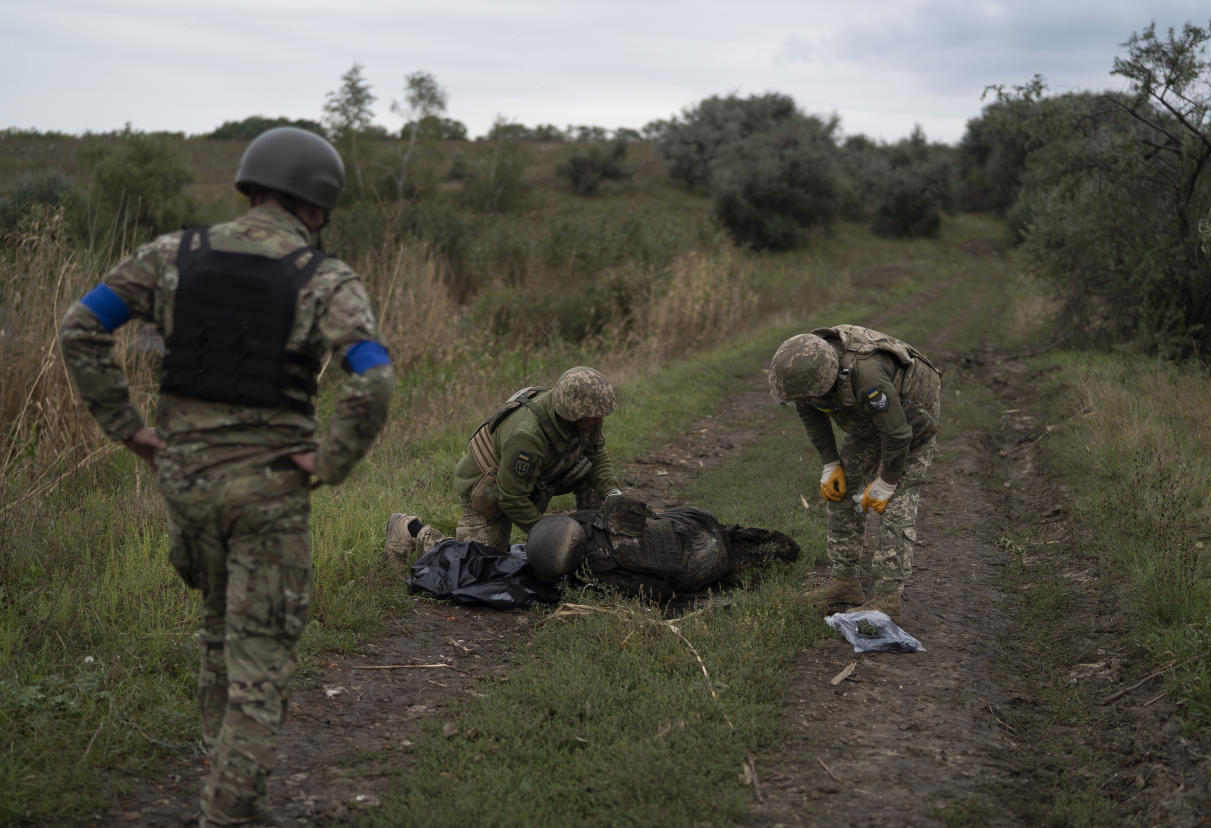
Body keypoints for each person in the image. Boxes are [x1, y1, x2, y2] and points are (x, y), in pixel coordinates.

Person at [58, 127, 394, 827]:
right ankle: (230, 814)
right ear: (317, 206)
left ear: (251, 185)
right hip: (268, 494)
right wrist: (329, 461)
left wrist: (130, 430)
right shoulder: (324, 278)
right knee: (260, 664)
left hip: (186, 489)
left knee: (218, 630)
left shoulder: (171, 255)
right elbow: (373, 376)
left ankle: (227, 788)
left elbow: (81, 326)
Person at [768, 325, 941, 622]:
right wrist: (830, 464)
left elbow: (898, 434)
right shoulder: (806, 369)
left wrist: (886, 482)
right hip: (866, 418)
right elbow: (809, 411)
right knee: (841, 490)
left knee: (896, 502)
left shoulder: (867, 375)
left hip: (910, 417)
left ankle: (887, 598)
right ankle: (845, 582)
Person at [386, 366, 622, 558]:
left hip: (529, 479)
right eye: (593, 417)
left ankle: (593, 544)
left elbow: (595, 453)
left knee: (590, 477)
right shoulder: (527, 436)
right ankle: (410, 530)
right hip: (488, 489)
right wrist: (553, 537)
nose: (599, 421)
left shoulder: (582, 417)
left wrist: (612, 493)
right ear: (571, 412)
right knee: (478, 565)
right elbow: (511, 499)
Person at [395, 493, 800, 603]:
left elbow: (662, 594)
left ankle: (414, 530)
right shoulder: (597, 528)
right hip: (705, 530)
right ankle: (412, 529)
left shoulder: (603, 573)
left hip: (705, 547)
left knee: (497, 561)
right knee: (494, 559)